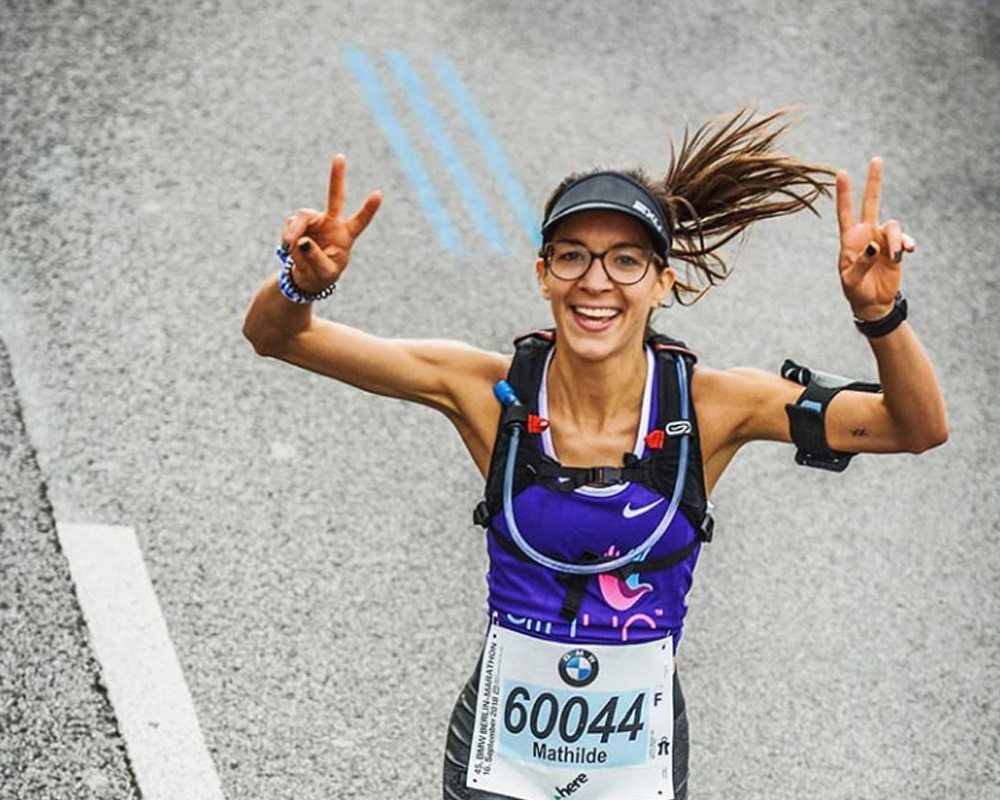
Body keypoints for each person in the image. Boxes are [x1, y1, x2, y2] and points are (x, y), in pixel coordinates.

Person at [243, 108, 947, 800]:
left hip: (637, 758)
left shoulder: (711, 406)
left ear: (662, 281)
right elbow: (281, 338)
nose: (597, 281)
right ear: (544, 274)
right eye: (573, 256)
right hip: (500, 759)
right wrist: (300, 283)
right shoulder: (488, 392)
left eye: (626, 260)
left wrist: (877, 315)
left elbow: (912, 428)